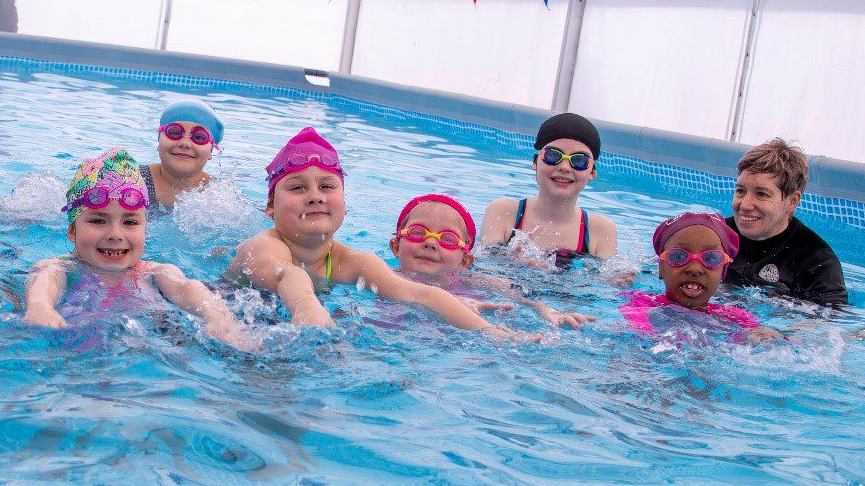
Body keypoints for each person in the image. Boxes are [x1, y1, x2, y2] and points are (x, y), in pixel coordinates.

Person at [225, 127, 505, 334]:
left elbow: (418, 294)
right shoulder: (264, 245)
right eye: (298, 188)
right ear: (271, 206)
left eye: (327, 186)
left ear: (345, 206)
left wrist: (491, 332)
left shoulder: (352, 261)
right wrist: (307, 307)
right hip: (231, 316)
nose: (315, 196)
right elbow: (291, 275)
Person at [23, 148, 251, 348]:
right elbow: (45, 281)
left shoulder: (155, 272)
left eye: (130, 222)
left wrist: (219, 317)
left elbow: (187, 288)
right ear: (73, 231)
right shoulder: (61, 268)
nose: (115, 234)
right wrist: (40, 308)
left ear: (145, 230)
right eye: (98, 221)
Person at [391, 193, 593, 328]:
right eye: (418, 233)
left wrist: (547, 310)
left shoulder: (474, 281)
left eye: (448, 239)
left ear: (465, 261)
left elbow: (521, 297)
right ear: (396, 247)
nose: (430, 243)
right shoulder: (385, 276)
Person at [480, 112, 618, 266]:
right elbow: (484, 271)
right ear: (535, 162)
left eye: (579, 160)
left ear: (592, 172)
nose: (564, 167)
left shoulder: (600, 230)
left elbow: (604, 284)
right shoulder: (503, 212)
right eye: (553, 155)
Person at [621, 211, 780, 343]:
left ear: (723, 271)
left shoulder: (736, 318)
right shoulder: (641, 304)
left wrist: (768, 337)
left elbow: (778, 345)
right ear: (661, 268)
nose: (695, 269)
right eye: (678, 257)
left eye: (711, 259)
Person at [725, 139, 847, 307]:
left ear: (792, 201)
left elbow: (830, 323)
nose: (745, 205)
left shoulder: (817, 263)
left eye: (761, 194)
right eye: (740, 191)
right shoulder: (714, 235)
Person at [141, 100, 222, 211]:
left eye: (199, 137)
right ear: (159, 142)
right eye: (174, 133)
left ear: (210, 151)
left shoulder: (218, 193)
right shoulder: (134, 180)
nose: (185, 143)